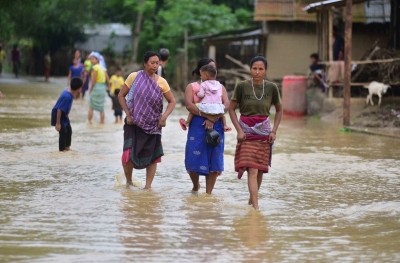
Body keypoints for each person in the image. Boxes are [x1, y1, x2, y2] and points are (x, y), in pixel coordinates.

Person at [228, 55, 282, 210]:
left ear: (265, 71)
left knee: (259, 170)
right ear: (250, 69)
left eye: (261, 69)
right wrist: (238, 130)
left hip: (264, 133)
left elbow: (279, 110)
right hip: (246, 132)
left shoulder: (272, 87)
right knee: (251, 168)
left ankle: (252, 202)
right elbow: (231, 109)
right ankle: (256, 208)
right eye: (254, 68)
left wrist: (274, 131)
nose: (257, 72)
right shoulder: (242, 86)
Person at [118, 51, 176, 189]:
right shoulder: (134, 77)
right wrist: (128, 114)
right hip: (133, 123)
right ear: (145, 63)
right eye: (152, 63)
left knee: (153, 156)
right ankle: (129, 182)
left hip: (153, 125)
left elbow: (172, 101)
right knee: (128, 154)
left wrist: (164, 117)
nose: (155, 65)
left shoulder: (162, 82)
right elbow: (121, 95)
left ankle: (147, 187)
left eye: (157, 63)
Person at [184, 58, 230, 194]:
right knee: (193, 155)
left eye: (214, 68)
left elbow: (227, 104)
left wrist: (214, 118)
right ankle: (195, 186)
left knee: (214, 157)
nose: (212, 70)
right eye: (209, 67)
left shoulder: (220, 87)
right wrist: (207, 116)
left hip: (216, 125)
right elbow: (189, 105)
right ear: (201, 71)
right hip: (198, 125)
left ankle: (208, 193)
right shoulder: (192, 87)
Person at [179, 64, 231, 132]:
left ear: (206, 75)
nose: (200, 76)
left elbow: (201, 95)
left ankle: (187, 122)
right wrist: (213, 117)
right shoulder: (219, 85)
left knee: (195, 107)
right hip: (217, 107)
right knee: (222, 114)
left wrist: (198, 94)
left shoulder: (204, 84)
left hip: (206, 106)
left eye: (201, 75)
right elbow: (226, 104)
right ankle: (225, 125)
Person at [51, 77, 83, 152]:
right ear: (77, 88)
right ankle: (61, 150)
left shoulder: (70, 91)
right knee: (63, 132)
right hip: (58, 115)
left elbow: (76, 97)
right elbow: (59, 109)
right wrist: (58, 123)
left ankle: (67, 148)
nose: (81, 89)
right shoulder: (67, 96)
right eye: (80, 88)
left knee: (69, 130)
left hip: (64, 115)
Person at [87, 51, 109, 124]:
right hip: (102, 88)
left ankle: (89, 122)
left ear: (97, 60)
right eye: (91, 59)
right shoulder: (103, 68)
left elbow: (93, 80)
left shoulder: (95, 68)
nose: (91, 60)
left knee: (91, 106)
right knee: (101, 108)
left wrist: (90, 89)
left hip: (96, 87)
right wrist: (108, 87)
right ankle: (102, 122)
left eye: (93, 59)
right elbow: (107, 79)